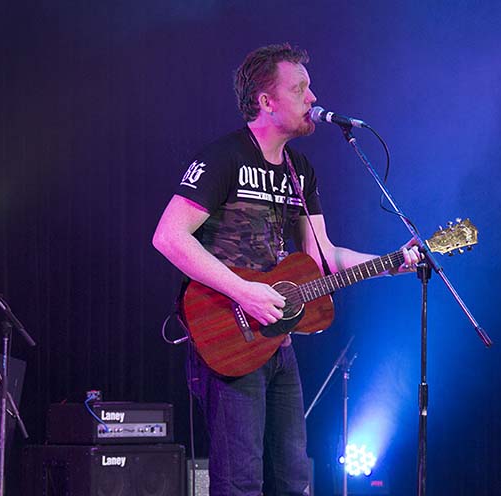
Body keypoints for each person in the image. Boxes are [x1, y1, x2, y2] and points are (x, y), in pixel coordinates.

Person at [152, 43, 421, 496]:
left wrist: (392, 263)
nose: (313, 98)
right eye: (299, 89)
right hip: (228, 333)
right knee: (240, 483)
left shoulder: (301, 171)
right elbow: (169, 237)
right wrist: (244, 291)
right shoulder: (224, 158)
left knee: (293, 481)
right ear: (266, 101)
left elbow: (323, 258)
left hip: (277, 340)